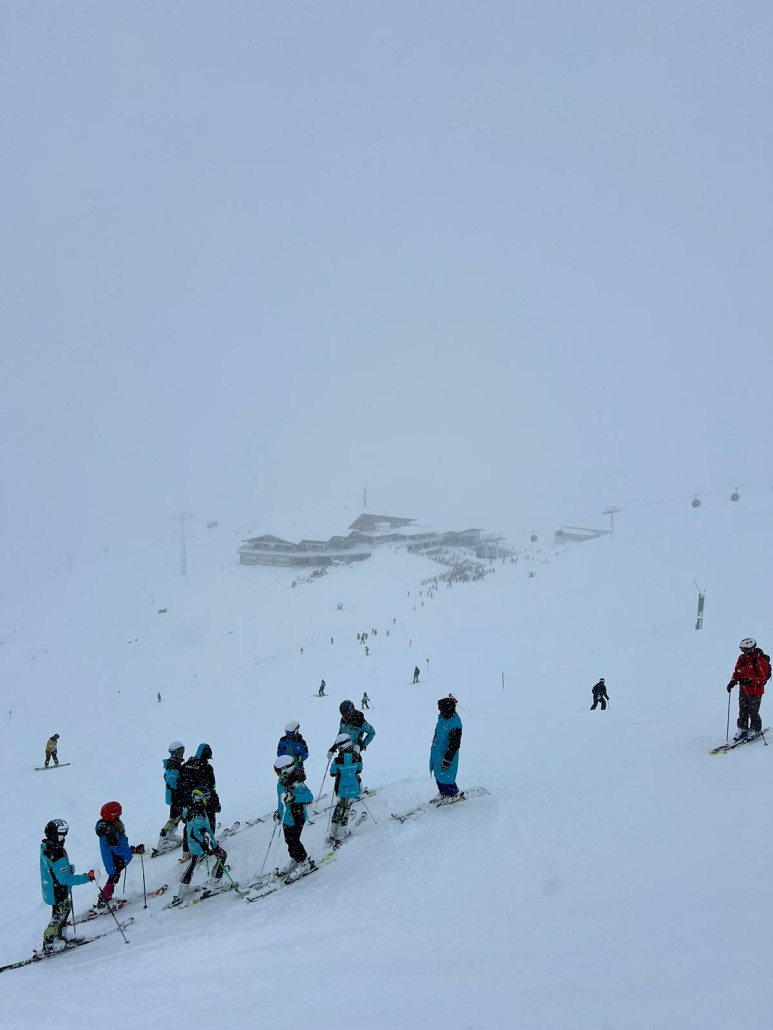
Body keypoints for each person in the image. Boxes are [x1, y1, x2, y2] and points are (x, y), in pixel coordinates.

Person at [39, 819, 95, 954]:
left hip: (54, 888)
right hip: (57, 890)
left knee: (65, 908)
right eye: (61, 836)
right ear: (54, 836)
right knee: (59, 914)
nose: (63, 839)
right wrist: (87, 877)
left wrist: (66, 869)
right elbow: (66, 879)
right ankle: (49, 942)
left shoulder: (48, 847)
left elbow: (57, 872)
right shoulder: (56, 855)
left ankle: (60, 934)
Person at [176, 788, 228, 903]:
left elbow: (185, 816)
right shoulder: (199, 813)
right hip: (199, 845)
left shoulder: (192, 808)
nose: (207, 800)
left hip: (192, 844)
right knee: (222, 855)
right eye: (206, 798)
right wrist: (207, 847)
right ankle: (215, 883)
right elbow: (196, 833)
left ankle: (183, 890)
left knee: (193, 864)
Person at [94, 801, 145, 908]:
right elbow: (119, 850)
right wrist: (133, 850)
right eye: (118, 813)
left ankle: (105, 897)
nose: (120, 815)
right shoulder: (111, 831)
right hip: (115, 860)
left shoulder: (105, 826)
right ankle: (104, 899)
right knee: (114, 877)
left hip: (112, 858)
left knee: (114, 877)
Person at [273, 755, 315, 876]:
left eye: (278, 772)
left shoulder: (297, 782)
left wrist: (294, 797)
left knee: (294, 841)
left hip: (297, 816)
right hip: (287, 818)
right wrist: (279, 813)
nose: (277, 775)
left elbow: (309, 797)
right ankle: (296, 859)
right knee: (289, 841)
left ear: (285, 770)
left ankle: (304, 862)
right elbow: (281, 800)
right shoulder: (281, 782)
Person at [178, 743, 220, 859]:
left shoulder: (186, 765)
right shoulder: (207, 768)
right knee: (208, 822)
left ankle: (186, 851)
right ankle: (209, 845)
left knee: (189, 824)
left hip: (188, 801)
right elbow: (211, 787)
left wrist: (182, 801)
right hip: (203, 800)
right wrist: (216, 803)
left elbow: (180, 785)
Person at [727, 637, 771, 741]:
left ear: (750, 649)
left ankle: (755, 729)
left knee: (753, 711)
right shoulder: (742, 658)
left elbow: (763, 678)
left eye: (744, 649)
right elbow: (737, 671)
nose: (742, 651)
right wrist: (733, 682)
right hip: (743, 690)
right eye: (741, 649)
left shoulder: (759, 660)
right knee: (743, 709)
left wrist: (750, 681)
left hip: (755, 691)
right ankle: (743, 728)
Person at [328, 733, 363, 847]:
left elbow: (332, 773)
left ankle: (333, 833)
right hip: (353, 789)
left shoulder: (337, 760)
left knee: (338, 809)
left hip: (341, 790)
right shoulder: (357, 757)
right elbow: (359, 770)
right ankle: (341, 834)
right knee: (346, 810)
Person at [429, 695, 463, 801]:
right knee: (438, 774)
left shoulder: (455, 724)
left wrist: (447, 759)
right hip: (438, 751)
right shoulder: (443, 717)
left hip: (446, 753)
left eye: (440, 708)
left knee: (447, 775)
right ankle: (443, 792)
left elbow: (454, 744)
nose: (439, 711)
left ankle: (453, 794)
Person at [157, 741, 186, 850]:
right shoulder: (174, 765)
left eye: (183, 751)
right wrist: (181, 788)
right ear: (174, 753)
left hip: (175, 797)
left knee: (175, 817)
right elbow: (171, 781)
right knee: (175, 817)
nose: (182, 754)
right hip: (176, 797)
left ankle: (168, 835)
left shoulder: (172, 763)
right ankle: (164, 839)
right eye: (180, 751)